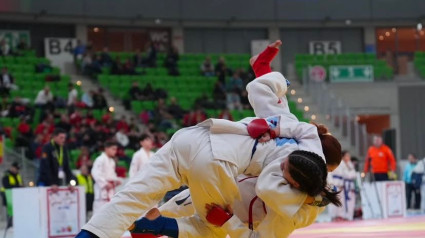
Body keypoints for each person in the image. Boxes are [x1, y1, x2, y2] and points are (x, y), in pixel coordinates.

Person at [76, 41, 341, 238]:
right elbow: (270, 196)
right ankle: (156, 226)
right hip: (217, 168)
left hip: (194, 137)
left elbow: (264, 91)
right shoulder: (293, 177)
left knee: (132, 197)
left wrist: (266, 71)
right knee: (213, 228)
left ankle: (98, 233)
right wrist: (307, 197)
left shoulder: (293, 128)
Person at [91, 141, 121, 213]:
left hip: (110, 190)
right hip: (102, 191)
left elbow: (112, 175)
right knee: (99, 213)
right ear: (106, 149)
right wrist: (105, 184)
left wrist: (116, 180)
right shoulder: (100, 159)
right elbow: (95, 173)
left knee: (109, 213)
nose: (115, 151)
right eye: (113, 149)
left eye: (116, 149)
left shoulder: (112, 161)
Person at [328, 151, 357, 221]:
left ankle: (339, 216)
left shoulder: (343, 164)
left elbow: (349, 175)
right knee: (332, 200)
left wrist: (341, 184)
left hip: (341, 184)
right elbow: (329, 174)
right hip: (332, 183)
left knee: (341, 201)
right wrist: (331, 184)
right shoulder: (331, 162)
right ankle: (333, 216)